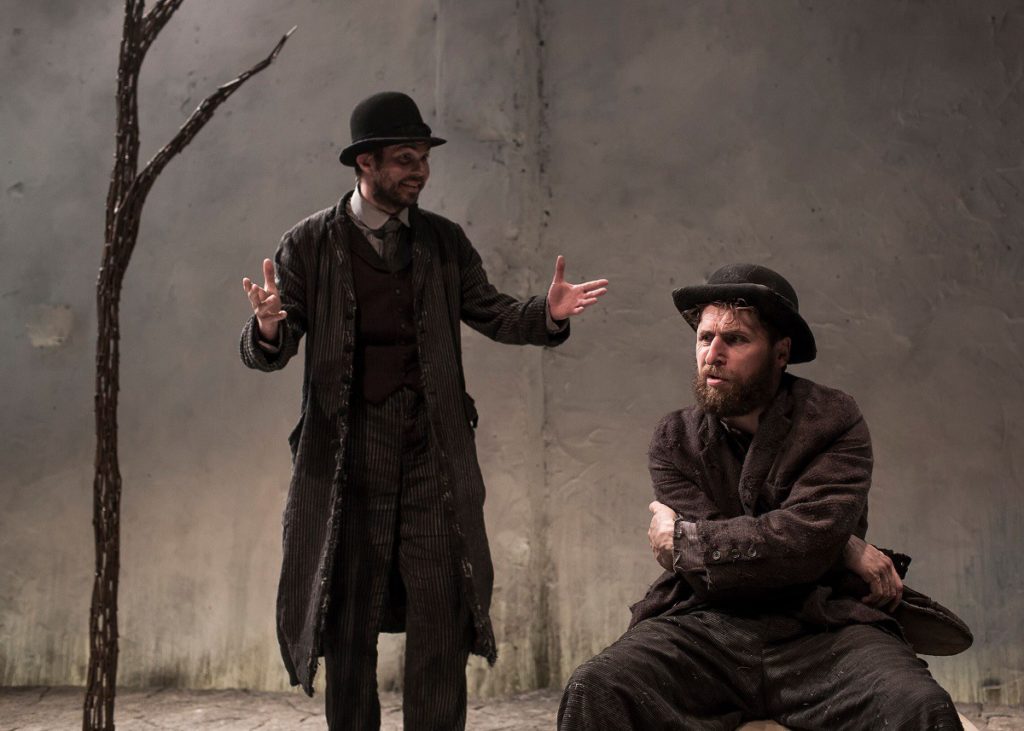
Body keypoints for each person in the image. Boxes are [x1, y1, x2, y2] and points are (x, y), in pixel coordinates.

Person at [239, 91, 608, 731]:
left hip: (432, 459)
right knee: (347, 627)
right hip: (348, 463)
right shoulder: (309, 244)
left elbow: (494, 313)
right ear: (365, 164)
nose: (419, 171)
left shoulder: (442, 243)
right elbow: (271, 353)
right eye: (404, 159)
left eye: (422, 159)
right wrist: (268, 327)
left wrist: (547, 314)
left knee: (440, 618)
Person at [558, 263, 971, 730]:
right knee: (596, 687)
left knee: (919, 706)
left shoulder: (832, 419)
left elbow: (797, 544)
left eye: (735, 340)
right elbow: (746, 563)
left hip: (821, 628)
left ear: (780, 352)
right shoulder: (674, 438)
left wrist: (688, 543)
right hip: (708, 627)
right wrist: (842, 547)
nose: (713, 354)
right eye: (704, 337)